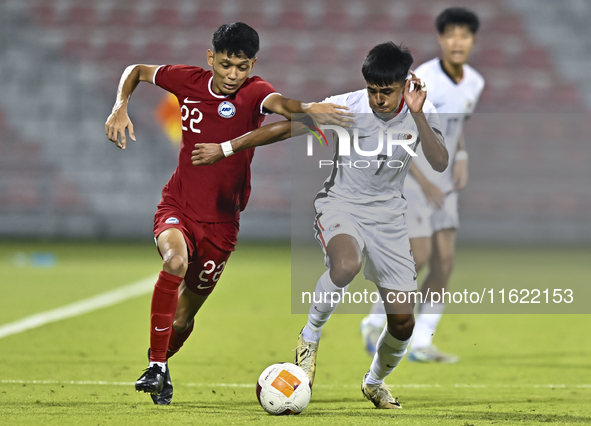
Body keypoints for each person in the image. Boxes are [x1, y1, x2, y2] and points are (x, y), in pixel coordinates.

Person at [104, 22, 351, 405]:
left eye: (241, 67)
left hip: (222, 224)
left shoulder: (255, 92)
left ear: (253, 64)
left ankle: (162, 366)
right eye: (224, 65)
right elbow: (135, 71)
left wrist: (305, 110)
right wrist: (120, 106)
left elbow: (283, 108)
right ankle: (155, 366)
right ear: (210, 59)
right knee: (174, 260)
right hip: (179, 206)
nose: (233, 75)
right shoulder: (187, 80)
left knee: (183, 319)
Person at [192, 42, 448, 409]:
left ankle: (374, 383)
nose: (378, 100)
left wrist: (420, 115)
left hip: (390, 218)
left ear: (405, 84)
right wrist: (226, 148)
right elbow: (284, 129)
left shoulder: (422, 110)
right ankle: (309, 337)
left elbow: (439, 162)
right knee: (346, 265)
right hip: (341, 205)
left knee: (403, 322)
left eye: (386, 92)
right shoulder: (347, 107)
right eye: (372, 91)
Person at [360, 7, 485, 363]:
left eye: (464, 35)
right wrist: (423, 180)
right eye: (451, 34)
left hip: (443, 182)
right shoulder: (421, 79)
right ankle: (376, 321)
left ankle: (422, 340)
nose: (457, 41)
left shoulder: (474, 82)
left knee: (445, 263)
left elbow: (453, 132)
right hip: (413, 178)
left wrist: (460, 158)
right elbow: (402, 133)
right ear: (440, 39)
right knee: (420, 256)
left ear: (473, 41)